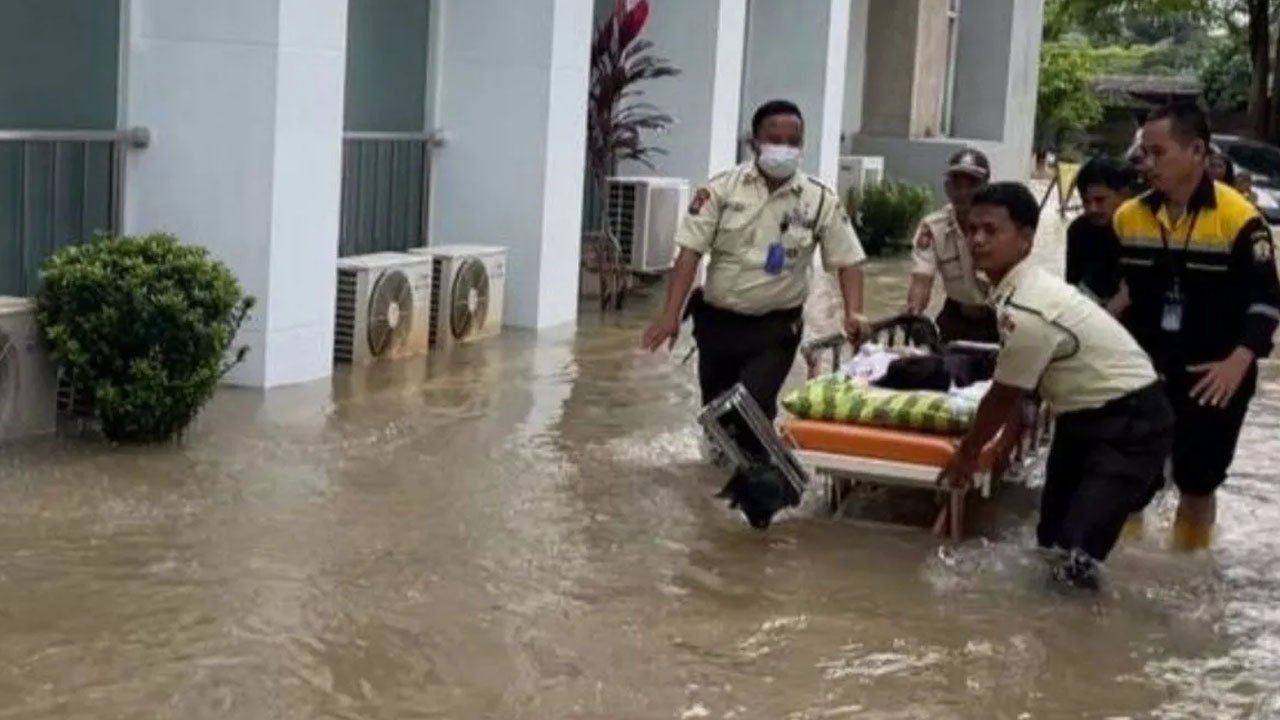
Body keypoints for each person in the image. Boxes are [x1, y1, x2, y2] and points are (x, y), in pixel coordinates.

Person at [936, 182, 1174, 590]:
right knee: (1050, 540)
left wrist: (967, 454)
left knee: (1076, 558)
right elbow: (1019, 391)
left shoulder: (1029, 305)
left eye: (991, 231)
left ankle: (1083, 645)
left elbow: (1003, 395)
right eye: (971, 230)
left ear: (1026, 239)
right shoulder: (1016, 290)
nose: (977, 240)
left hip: (1129, 425)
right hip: (1080, 418)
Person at [1098, 102, 1280, 551]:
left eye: (1158, 153)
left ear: (1197, 151)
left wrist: (1237, 363)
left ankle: (1188, 573)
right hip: (1145, 374)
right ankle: (1124, 569)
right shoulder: (1129, 217)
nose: (1147, 163)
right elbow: (1124, 293)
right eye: (1144, 153)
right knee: (1129, 481)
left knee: (1198, 486)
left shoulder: (1241, 221)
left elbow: (1266, 304)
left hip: (1213, 376)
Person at [640, 99, 869, 454]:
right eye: (774, 139)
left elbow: (849, 260)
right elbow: (689, 253)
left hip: (774, 330)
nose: (784, 148)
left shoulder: (819, 200)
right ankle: (713, 488)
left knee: (751, 407)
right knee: (716, 418)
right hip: (718, 325)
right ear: (754, 143)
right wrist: (671, 315)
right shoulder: (720, 190)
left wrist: (853, 312)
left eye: (793, 142)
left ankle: (755, 488)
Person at [905, 149, 997, 343]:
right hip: (956, 317)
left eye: (972, 184)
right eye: (957, 184)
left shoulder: (1001, 226)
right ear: (947, 187)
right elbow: (921, 281)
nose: (963, 192)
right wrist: (913, 316)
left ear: (986, 187)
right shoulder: (933, 228)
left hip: (998, 319)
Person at [1065, 156, 1137, 314]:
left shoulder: (1140, 231)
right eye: (1086, 202)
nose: (1092, 209)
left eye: (1100, 200)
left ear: (1124, 194)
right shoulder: (1078, 230)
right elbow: (1072, 286)